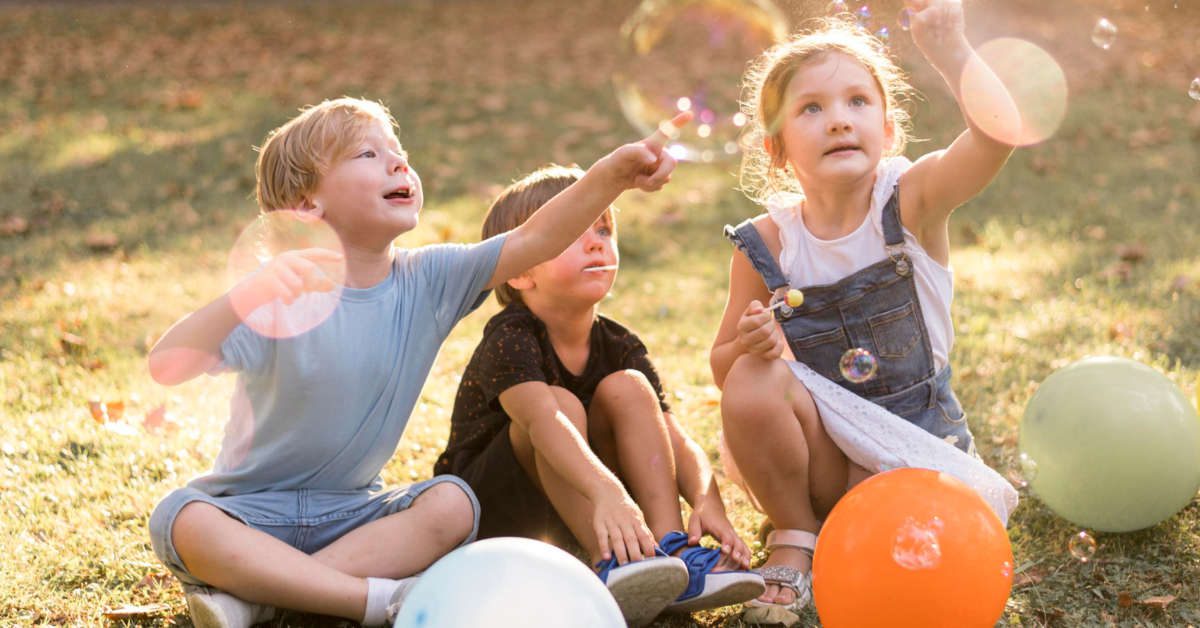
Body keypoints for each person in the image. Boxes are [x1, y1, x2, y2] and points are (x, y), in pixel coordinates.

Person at [145, 97, 687, 628]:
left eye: (397, 150)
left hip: (352, 517)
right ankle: (367, 600)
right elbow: (166, 366)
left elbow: (536, 237)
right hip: (249, 515)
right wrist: (243, 298)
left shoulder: (429, 280)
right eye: (367, 155)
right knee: (182, 516)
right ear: (308, 204)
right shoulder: (274, 296)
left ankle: (257, 599)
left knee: (453, 503)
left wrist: (612, 174)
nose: (398, 162)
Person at [709, 0, 1020, 623]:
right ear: (777, 150)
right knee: (750, 380)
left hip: (918, 451)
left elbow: (998, 135)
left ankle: (848, 529)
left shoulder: (911, 203)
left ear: (888, 129)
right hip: (829, 451)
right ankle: (796, 534)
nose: (837, 121)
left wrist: (951, 50)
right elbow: (722, 367)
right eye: (811, 109)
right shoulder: (767, 243)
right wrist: (752, 343)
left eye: (857, 102)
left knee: (905, 548)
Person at [433, 165, 764, 626]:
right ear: (519, 271)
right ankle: (613, 564)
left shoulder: (618, 343)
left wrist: (709, 501)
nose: (596, 242)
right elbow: (542, 422)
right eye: (573, 232)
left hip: (595, 504)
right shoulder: (509, 336)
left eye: (604, 229)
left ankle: (668, 553)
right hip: (496, 513)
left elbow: (673, 436)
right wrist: (608, 491)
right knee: (560, 406)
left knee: (629, 387)